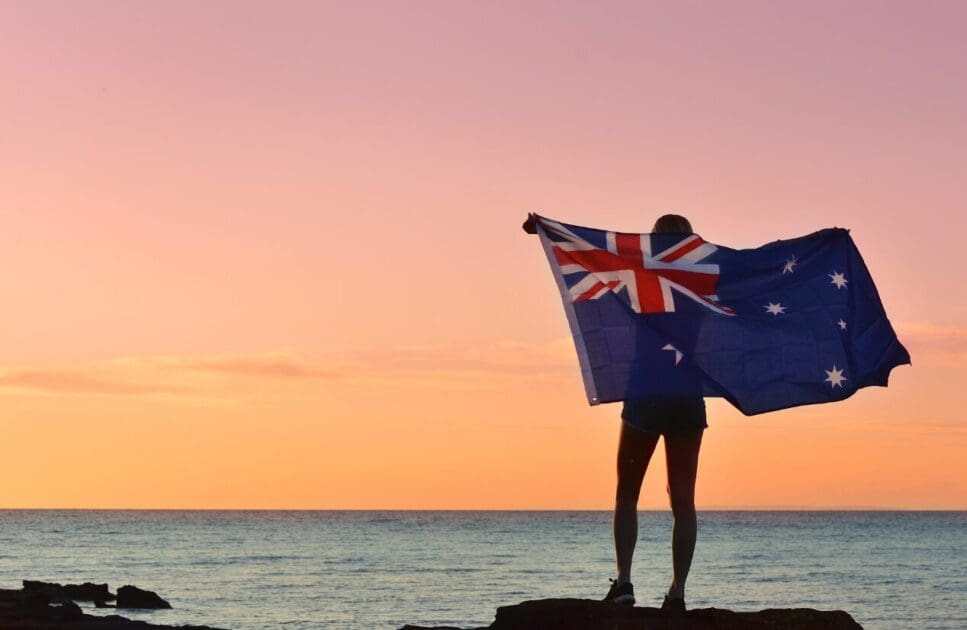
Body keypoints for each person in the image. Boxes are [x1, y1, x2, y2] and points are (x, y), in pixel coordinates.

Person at [522, 212, 705, 614]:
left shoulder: (638, 274)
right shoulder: (705, 283)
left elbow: (592, 257)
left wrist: (550, 232)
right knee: (684, 501)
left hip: (645, 392)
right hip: (687, 396)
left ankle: (623, 583)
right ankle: (677, 594)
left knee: (627, 492)